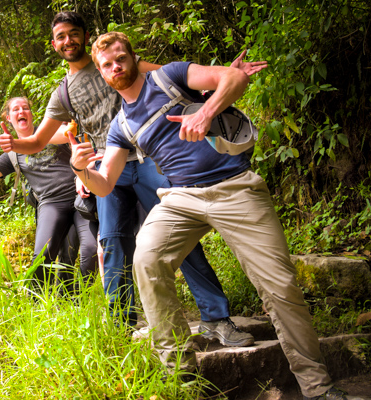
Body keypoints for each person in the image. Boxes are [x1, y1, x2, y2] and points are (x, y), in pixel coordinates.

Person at [67, 31, 348, 400]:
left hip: (236, 187)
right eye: (107, 65)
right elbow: (104, 185)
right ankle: (184, 382)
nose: (115, 67)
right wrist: (80, 170)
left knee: (280, 287)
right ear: (102, 74)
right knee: (146, 260)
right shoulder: (121, 126)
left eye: (120, 58)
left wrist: (205, 111)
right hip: (180, 197)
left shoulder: (170, 76)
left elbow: (233, 77)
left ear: (133, 58)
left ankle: (318, 387)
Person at [0, 11, 265, 344]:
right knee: (112, 244)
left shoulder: (116, 61)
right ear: (54, 45)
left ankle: (216, 318)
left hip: (148, 160)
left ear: (84, 35)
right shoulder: (63, 93)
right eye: (61, 37)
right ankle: (121, 332)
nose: (68, 41)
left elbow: (171, 78)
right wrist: (15, 143)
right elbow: (38, 141)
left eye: (73, 33)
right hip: (108, 169)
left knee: (182, 238)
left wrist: (226, 73)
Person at [0, 97, 98, 293]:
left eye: (25, 108)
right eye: (16, 109)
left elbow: (68, 132)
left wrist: (37, 139)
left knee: (90, 250)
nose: (21, 112)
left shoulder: (49, 130)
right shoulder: (12, 154)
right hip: (52, 204)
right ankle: (36, 305)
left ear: (31, 114)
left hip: (79, 197)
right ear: (9, 118)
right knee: (42, 258)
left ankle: (79, 299)